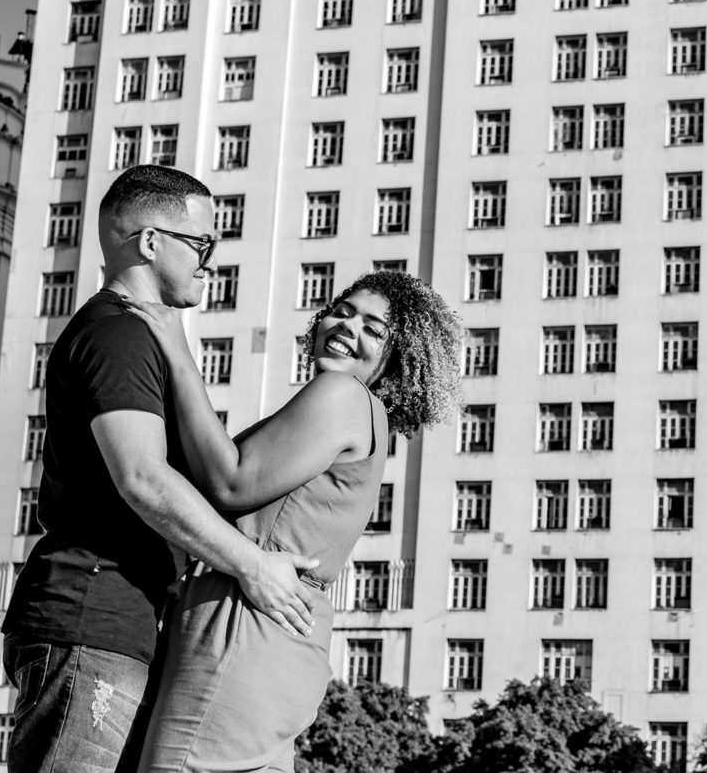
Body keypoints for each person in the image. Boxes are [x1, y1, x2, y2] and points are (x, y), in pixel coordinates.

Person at [1, 165, 321, 772]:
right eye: (202, 244)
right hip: (90, 617)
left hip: (118, 622)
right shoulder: (117, 334)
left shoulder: (143, 335)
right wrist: (253, 567)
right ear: (149, 242)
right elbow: (143, 478)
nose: (211, 262)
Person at [125, 270, 462, 771]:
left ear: (397, 359)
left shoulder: (344, 395)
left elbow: (230, 482)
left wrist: (177, 352)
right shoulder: (365, 418)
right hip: (278, 633)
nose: (348, 326)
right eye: (342, 311)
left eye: (375, 328)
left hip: (243, 624)